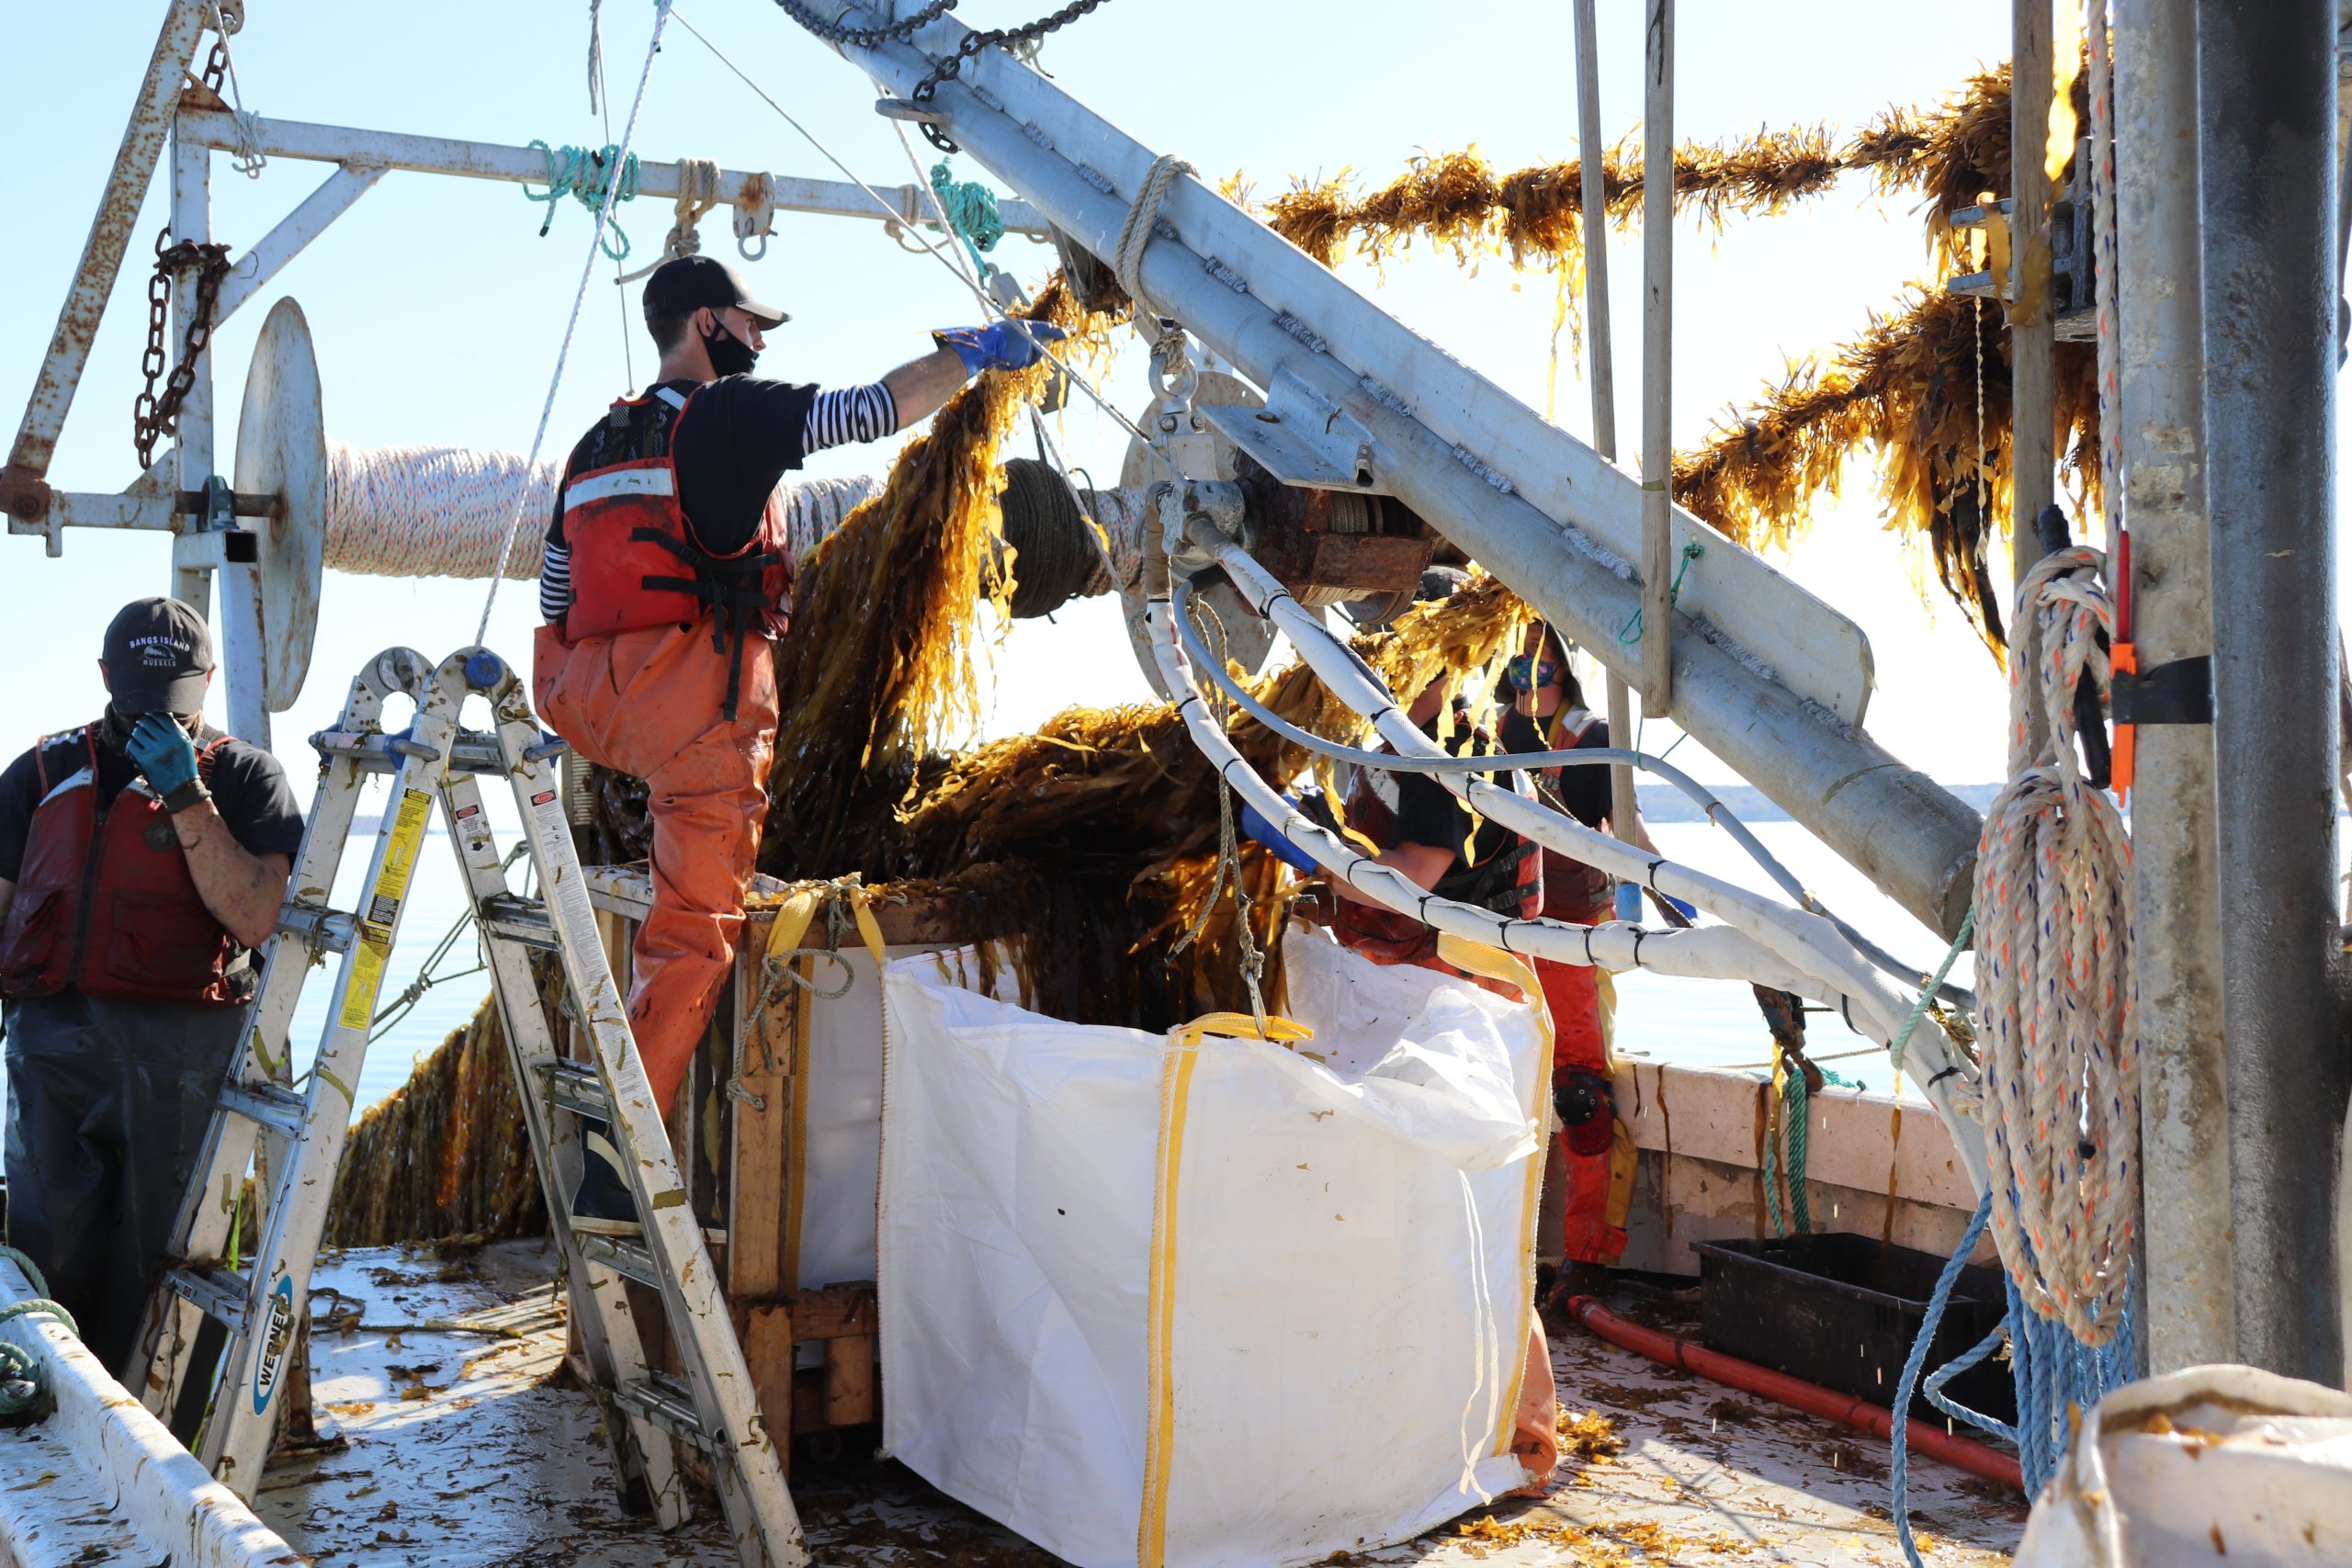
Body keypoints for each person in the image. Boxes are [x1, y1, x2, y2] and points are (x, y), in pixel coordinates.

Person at [533, 254, 1062, 1231]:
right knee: (695, 933)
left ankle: (601, 1095)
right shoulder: (724, 418)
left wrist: (610, 690)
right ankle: (616, 1164)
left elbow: (556, 595)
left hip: (589, 706)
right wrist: (975, 359)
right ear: (706, 324)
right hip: (694, 717)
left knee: (646, 869)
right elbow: (867, 410)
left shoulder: (595, 443)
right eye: (749, 320)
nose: (762, 338)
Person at [0, 598, 303, 1372]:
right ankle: (55, 1424)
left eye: (171, 702)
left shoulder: (245, 778)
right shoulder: (39, 771)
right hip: (51, 1059)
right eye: (136, 699)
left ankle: (164, 1429)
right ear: (106, 678)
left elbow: (259, 913)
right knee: (48, 1255)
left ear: (205, 682)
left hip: (183, 1059)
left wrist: (186, 797)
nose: (151, 720)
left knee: (163, 1263)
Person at [1497, 624, 1664, 1282]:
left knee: (1581, 1093)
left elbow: (1623, 826)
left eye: (1541, 669)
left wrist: (1662, 888)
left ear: (1565, 670)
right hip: (1506, 926)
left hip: (1573, 929)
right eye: (1517, 671)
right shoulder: (1495, 732)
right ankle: (1507, 1257)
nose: (1528, 683)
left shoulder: (1592, 737)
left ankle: (1588, 1258)